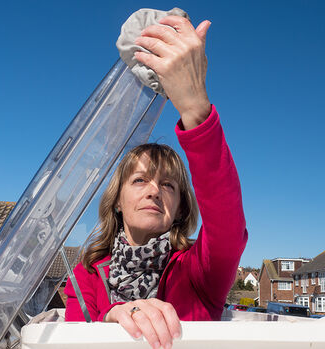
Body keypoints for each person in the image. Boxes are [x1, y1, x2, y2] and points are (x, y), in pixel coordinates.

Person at [64, 15, 247, 349]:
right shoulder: (86, 274)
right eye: (139, 180)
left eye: (168, 185)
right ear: (117, 200)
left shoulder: (199, 271)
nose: (153, 190)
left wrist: (194, 107)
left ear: (179, 209)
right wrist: (113, 315)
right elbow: (76, 334)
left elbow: (227, 224)